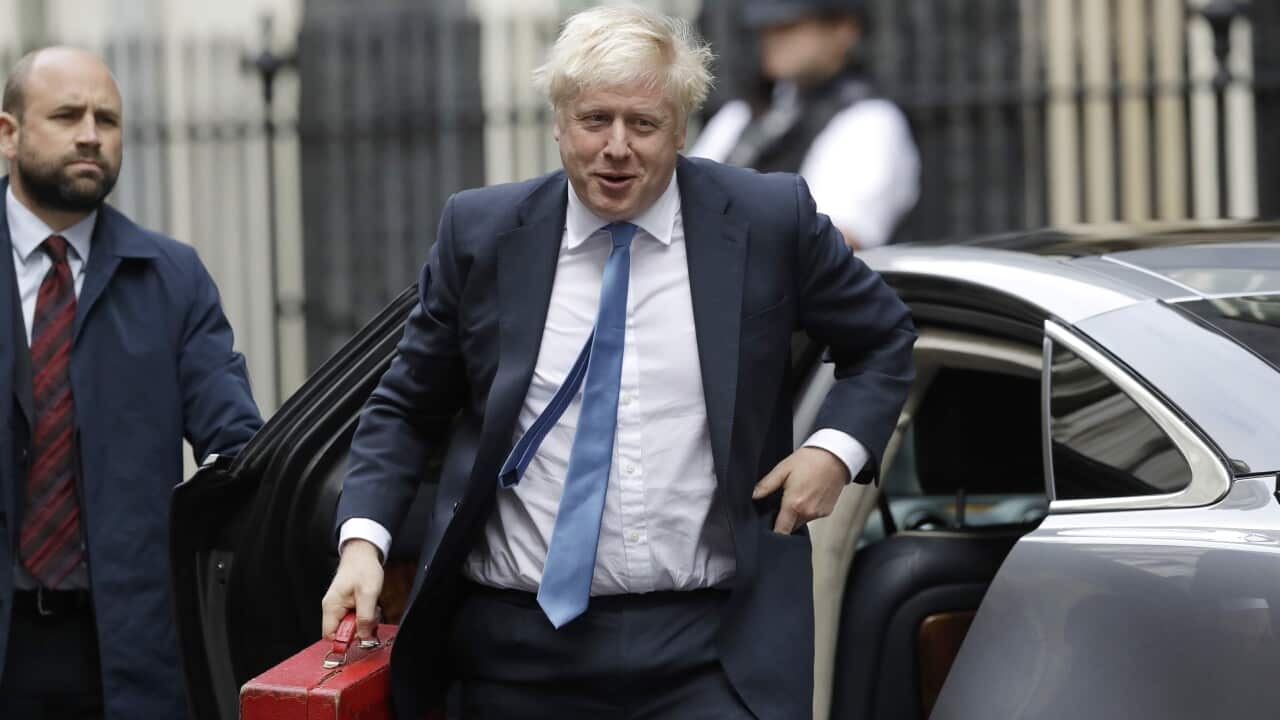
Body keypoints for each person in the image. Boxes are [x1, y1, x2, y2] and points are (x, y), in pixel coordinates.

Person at [323, 6, 914, 719]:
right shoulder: (480, 234)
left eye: (643, 124)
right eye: (595, 120)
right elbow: (406, 406)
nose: (616, 148)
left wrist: (834, 450)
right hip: (516, 654)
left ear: (681, 128)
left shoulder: (767, 218)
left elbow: (881, 338)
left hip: (711, 651)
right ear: (558, 121)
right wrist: (363, 544)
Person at [0, 47, 262, 718]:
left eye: (107, 120)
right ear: (8, 135)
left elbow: (235, 445)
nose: (91, 134)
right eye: (67, 115)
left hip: (128, 654)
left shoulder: (170, 279)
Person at [690, 0, 920, 250]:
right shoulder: (744, 114)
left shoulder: (871, 120)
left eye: (789, 25)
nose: (772, 37)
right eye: (765, 27)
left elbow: (827, 241)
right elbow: (681, 204)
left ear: (844, 29)